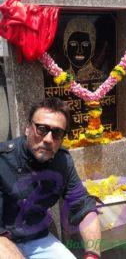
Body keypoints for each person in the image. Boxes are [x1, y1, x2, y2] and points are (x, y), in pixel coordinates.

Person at [0, 97, 101, 259]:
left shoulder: (62, 162)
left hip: (37, 239)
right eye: (41, 129)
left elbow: (84, 207)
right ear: (27, 128)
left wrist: (93, 254)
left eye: (57, 133)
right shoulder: (3, 160)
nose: (48, 139)